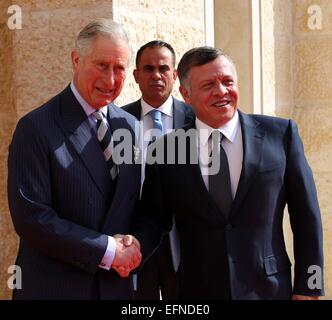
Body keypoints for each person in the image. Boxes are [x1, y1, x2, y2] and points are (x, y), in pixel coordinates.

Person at [128, 46, 324, 299]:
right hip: (197, 292)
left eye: (227, 81)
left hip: (269, 290)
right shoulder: (166, 150)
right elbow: (154, 219)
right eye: (208, 84)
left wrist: (310, 286)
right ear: (186, 94)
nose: (221, 91)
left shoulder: (281, 135)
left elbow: (307, 217)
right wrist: (129, 248)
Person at [7, 19, 142, 300]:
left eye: (119, 68)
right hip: (56, 289)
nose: (111, 80)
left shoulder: (131, 126)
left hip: (116, 290)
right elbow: (32, 218)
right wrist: (107, 250)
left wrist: (132, 246)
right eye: (101, 65)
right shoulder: (36, 127)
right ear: (76, 60)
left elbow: (135, 204)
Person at [122, 40, 194, 300]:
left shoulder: (197, 120)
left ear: (175, 75)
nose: (156, 75)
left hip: (187, 237)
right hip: (137, 234)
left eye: (163, 68)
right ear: (136, 76)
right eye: (148, 68)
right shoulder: (117, 120)